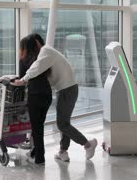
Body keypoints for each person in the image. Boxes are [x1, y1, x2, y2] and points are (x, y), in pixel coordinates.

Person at [15, 33, 98, 162]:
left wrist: (23, 80)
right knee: (64, 123)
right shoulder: (46, 53)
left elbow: (37, 67)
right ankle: (63, 151)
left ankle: (88, 144)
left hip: (67, 89)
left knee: (62, 124)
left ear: (36, 43)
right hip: (64, 89)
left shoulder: (46, 50)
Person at [18, 34, 52, 165]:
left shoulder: (24, 61)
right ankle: (36, 151)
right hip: (47, 95)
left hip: (35, 95)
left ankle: (39, 156)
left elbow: (22, 79)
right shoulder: (43, 59)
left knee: (36, 128)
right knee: (39, 126)